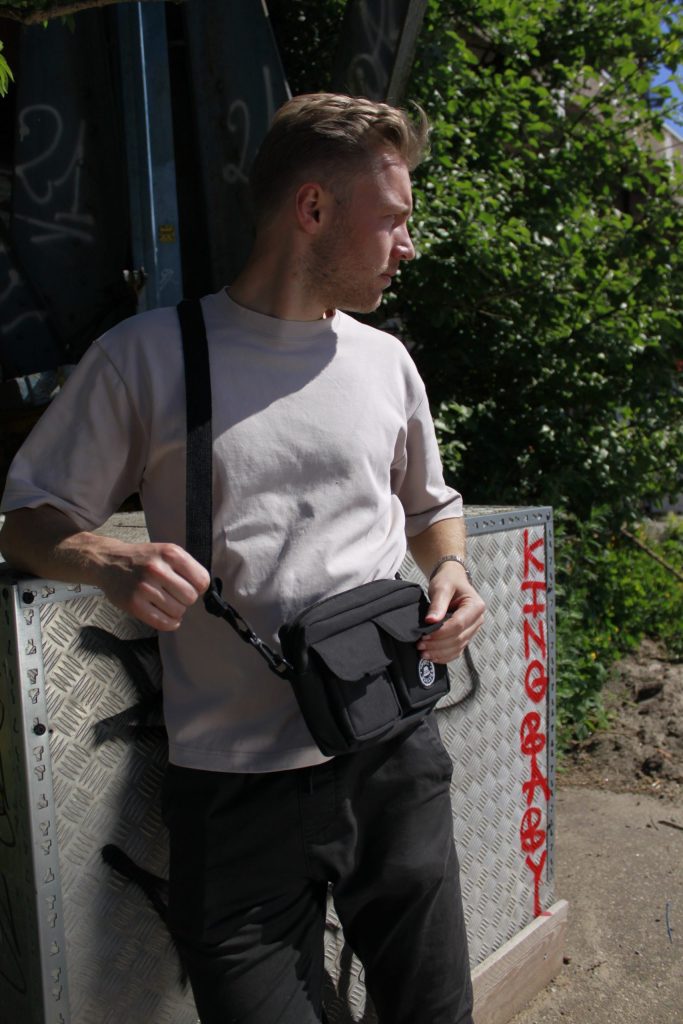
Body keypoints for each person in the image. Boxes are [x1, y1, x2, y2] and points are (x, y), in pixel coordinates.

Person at [0, 93, 485, 1023]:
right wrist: (105, 561)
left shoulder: (385, 362)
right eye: (393, 219)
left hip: (392, 756)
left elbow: (432, 508)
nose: (408, 245)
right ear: (312, 208)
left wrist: (452, 570)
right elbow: (27, 519)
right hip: (232, 789)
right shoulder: (145, 357)